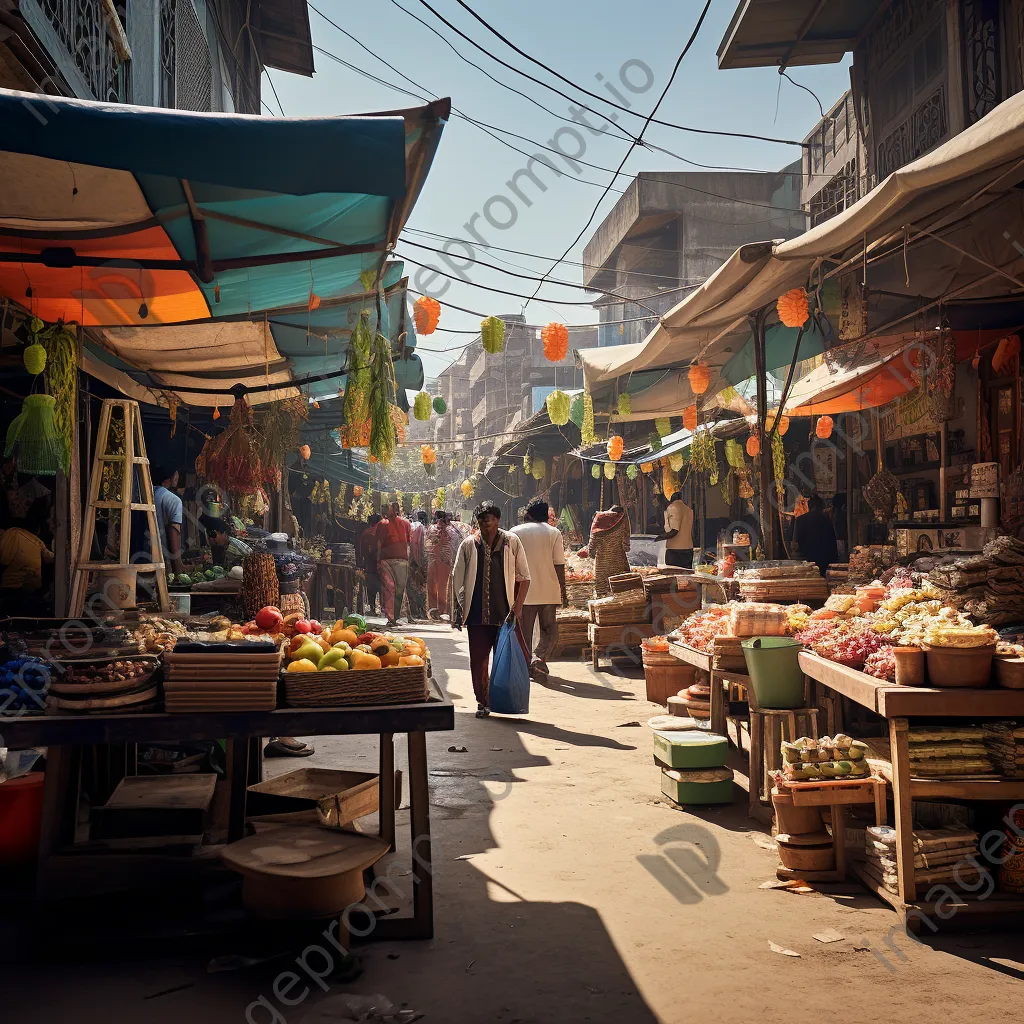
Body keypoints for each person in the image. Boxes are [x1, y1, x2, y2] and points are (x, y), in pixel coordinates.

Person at [451, 501, 531, 717]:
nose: (486, 524)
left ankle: (503, 700)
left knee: (506, 658)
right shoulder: (468, 545)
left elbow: (524, 577)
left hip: (504, 613)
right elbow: (456, 578)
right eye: (482, 520)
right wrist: (457, 612)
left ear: (497, 520)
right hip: (476, 614)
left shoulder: (511, 542)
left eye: (490, 519)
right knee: (478, 661)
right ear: (477, 522)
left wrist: (518, 607)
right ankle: (483, 701)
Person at [510, 498, 566, 683]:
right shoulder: (554, 533)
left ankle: (529, 664)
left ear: (529, 513)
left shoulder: (514, 532)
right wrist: (563, 591)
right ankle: (539, 658)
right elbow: (559, 564)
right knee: (550, 631)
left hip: (523, 592)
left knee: (524, 633)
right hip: (549, 590)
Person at [0, 521, 54, 615]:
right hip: (34, 582)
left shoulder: (8, 536)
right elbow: (49, 556)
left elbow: (4, 560)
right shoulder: (25, 534)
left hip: (15, 585)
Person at [376, 502, 412, 627]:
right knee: (396, 589)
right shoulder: (404, 523)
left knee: (393, 589)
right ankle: (393, 617)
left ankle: (393, 617)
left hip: (390, 560)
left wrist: (378, 560)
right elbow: (408, 543)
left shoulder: (383, 524)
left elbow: (379, 544)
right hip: (399, 560)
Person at [425, 509, 461, 619]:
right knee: (443, 586)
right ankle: (443, 610)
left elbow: (429, 541)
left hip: (433, 560)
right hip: (445, 561)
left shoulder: (431, 528)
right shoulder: (452, 530)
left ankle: (432, 609)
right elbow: (455, 544)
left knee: (432, 585)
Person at [793, 494, 839, 579]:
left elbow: (797, 541)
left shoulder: (800, 520)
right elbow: (832, 541)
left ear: (810, 506)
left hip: (807, 558)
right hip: (824, 558)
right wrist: (835, 559)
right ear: (821, 507)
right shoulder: (827, 520)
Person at [588, 504, 630, 597]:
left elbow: (593, 540)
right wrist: (625, 547)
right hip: (618, 559)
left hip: (602, 560)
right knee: (618, 586)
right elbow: (626, 543)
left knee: (602, 586)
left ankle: (603, 605)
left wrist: (590, 551)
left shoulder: (599, 518)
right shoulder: (623, 519)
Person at [152, 465, 186, 576]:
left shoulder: (145, 494)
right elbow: (174, 535)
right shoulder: (174, 500)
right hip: (161, 559)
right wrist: (178, 568)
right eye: (176, 475)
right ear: (170, 478)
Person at [657, 491, 694, 568]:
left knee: (674, 575)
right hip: (688, 549)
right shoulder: (689, 510)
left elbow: (674, 531)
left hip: (675, 550)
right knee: (686, 575)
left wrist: (658, 538)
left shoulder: (672, 507)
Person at [357, 513, 382, 616]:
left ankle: (372, 608)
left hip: (370, 564)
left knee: (371, 588)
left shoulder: (365, 533)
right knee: (382, 587)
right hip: (382, 563)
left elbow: (362, 550)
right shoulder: (381, 531)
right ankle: (384, 609)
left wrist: (363, 562)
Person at [406, 509, 428, 621]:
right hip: (418, 562)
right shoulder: (421, 528)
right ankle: (421, 611)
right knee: (420, 587)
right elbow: (419, 545)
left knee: (410, 586)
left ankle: (414, 611)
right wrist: (421, 564)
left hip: (409, 561)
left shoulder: (412, 526)